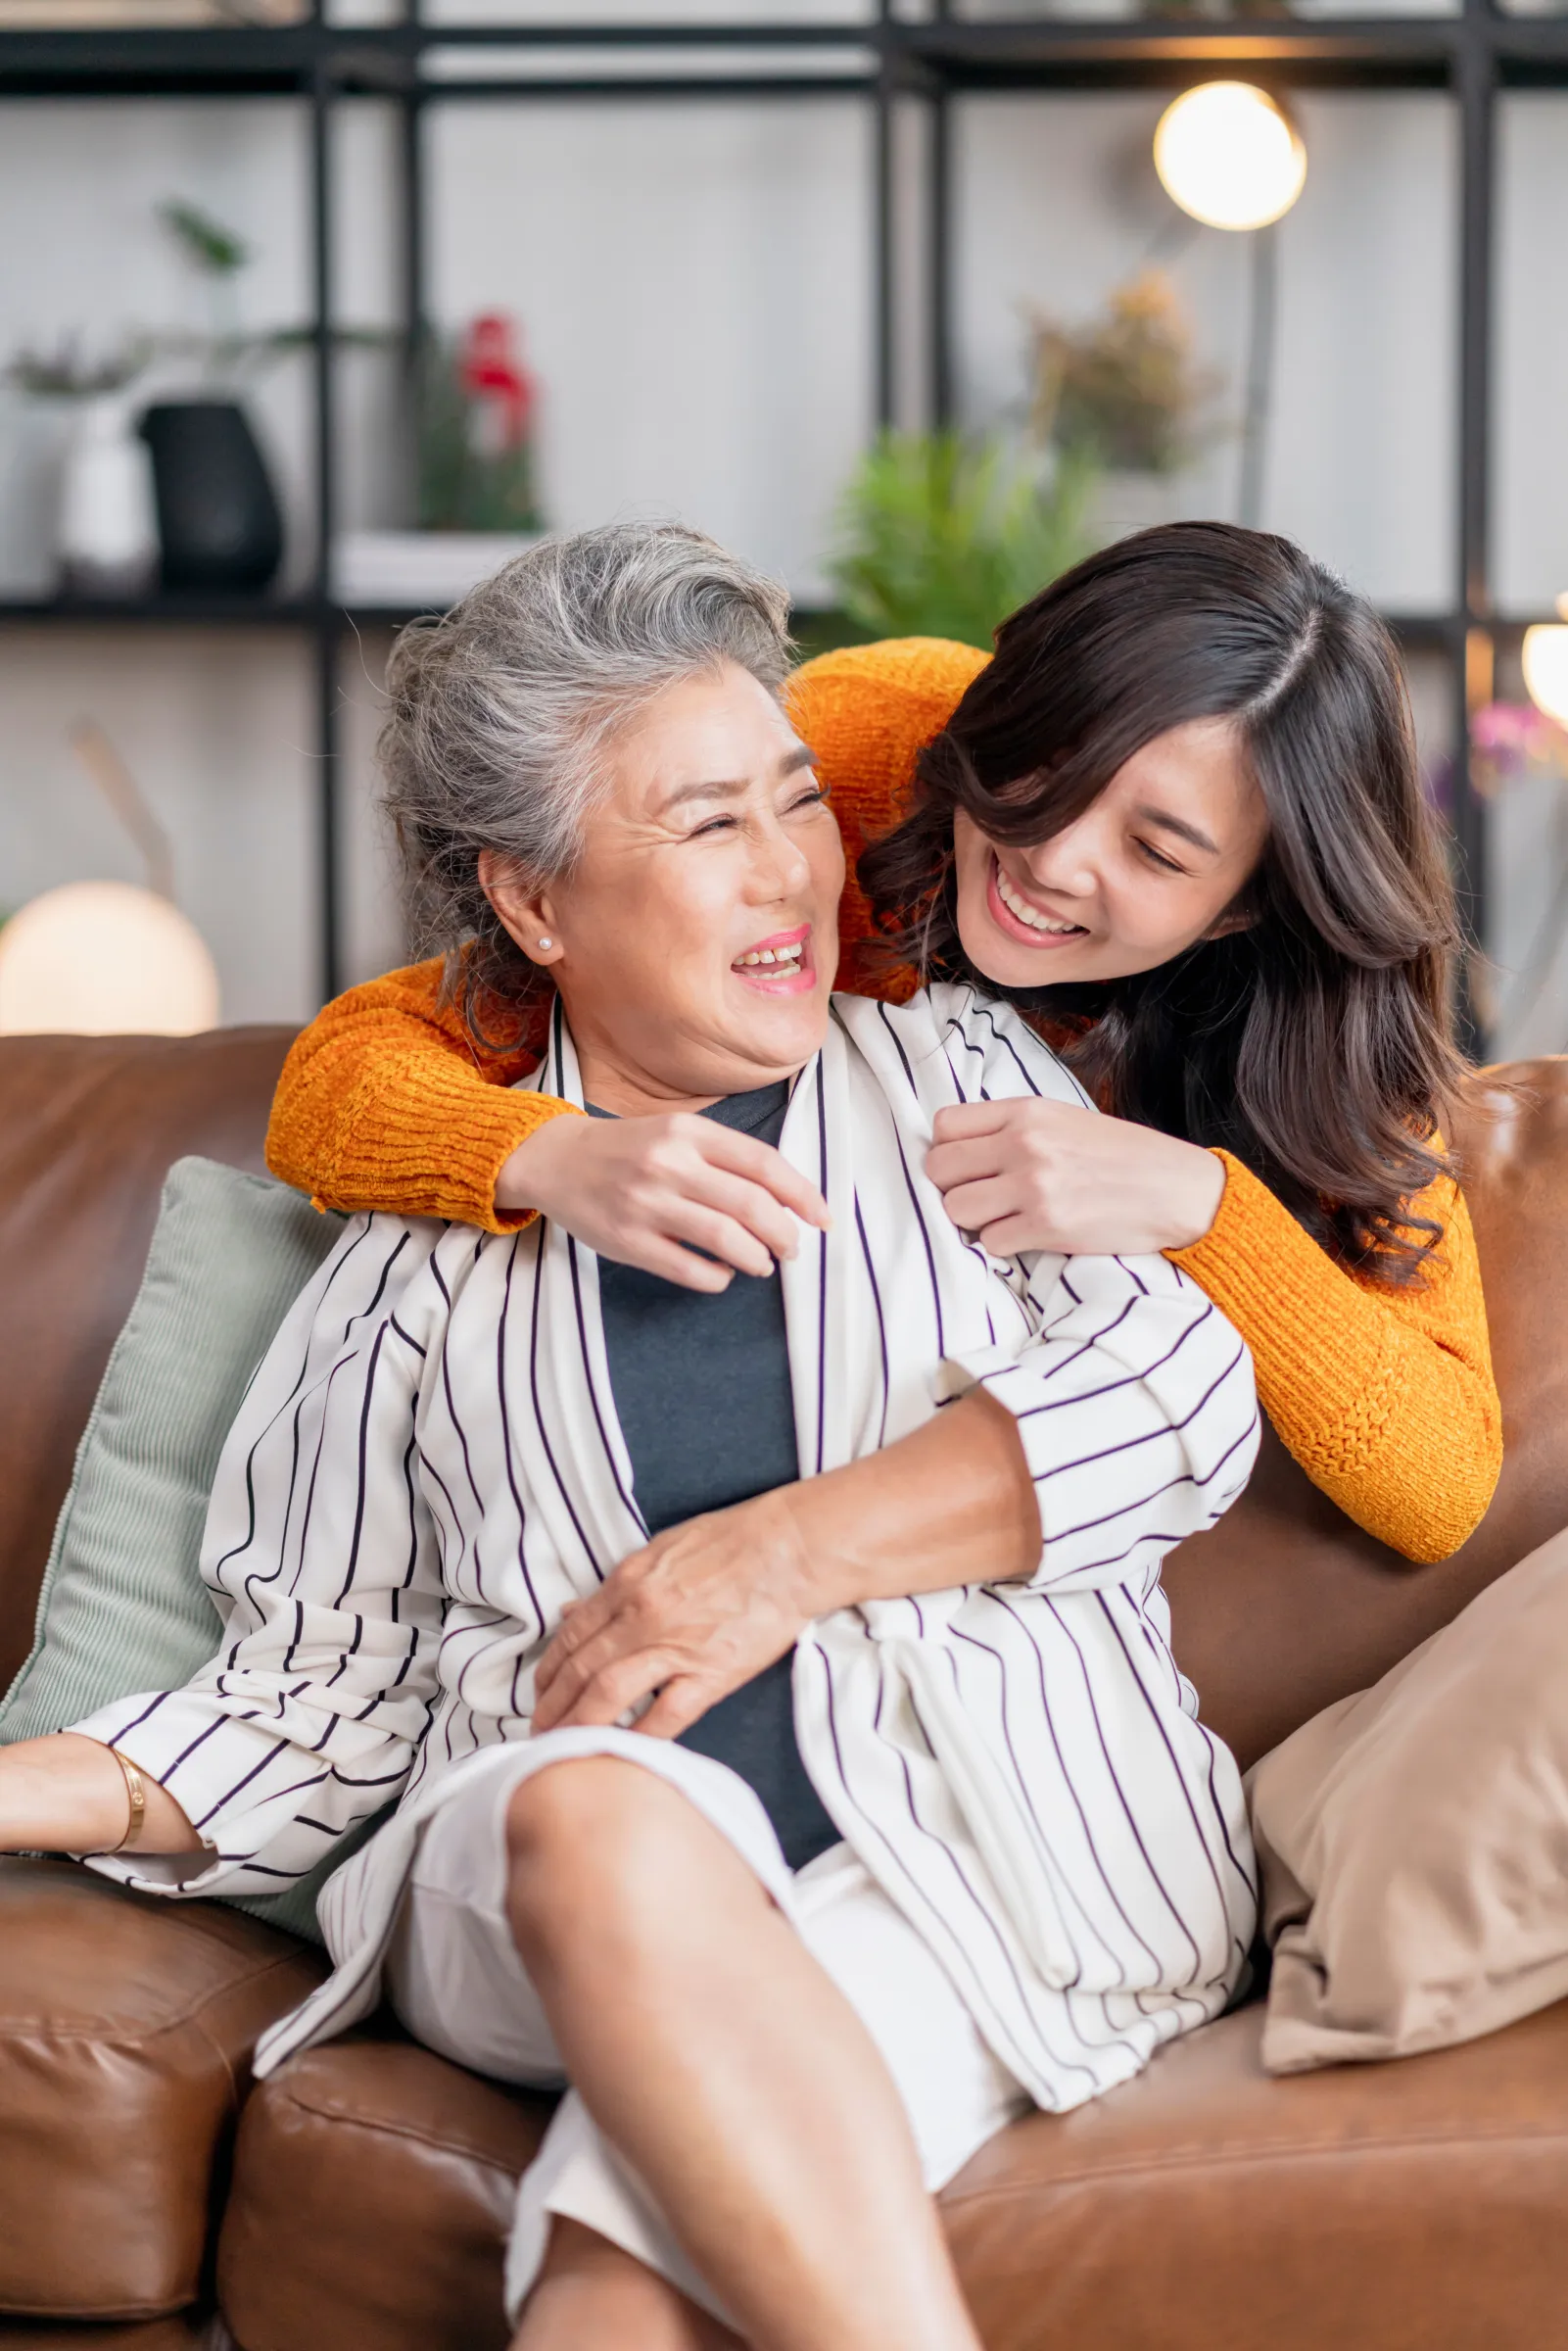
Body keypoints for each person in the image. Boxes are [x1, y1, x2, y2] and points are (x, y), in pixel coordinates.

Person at [0, 524, 1259, 2351]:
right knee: (591, 1807)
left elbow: (1175, 1404)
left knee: (613, 2294)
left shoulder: (965, 1088)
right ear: (533, 904)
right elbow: (316, 1691)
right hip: (536, 1867)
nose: (793, 876)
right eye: (705, 825)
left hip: (977, 1850)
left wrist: (770, 1560)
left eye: (793, 800)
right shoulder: (424, 1247)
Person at [267, 523, 1499, 1567]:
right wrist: (548, 1154)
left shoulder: (1335, 1051)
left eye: (1155, 852)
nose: (1053, 859)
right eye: (1048, 772)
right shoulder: (855, 771)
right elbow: (345, 1068)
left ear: (1241, 903)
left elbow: (1437, 1488)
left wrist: (1204, 1206)